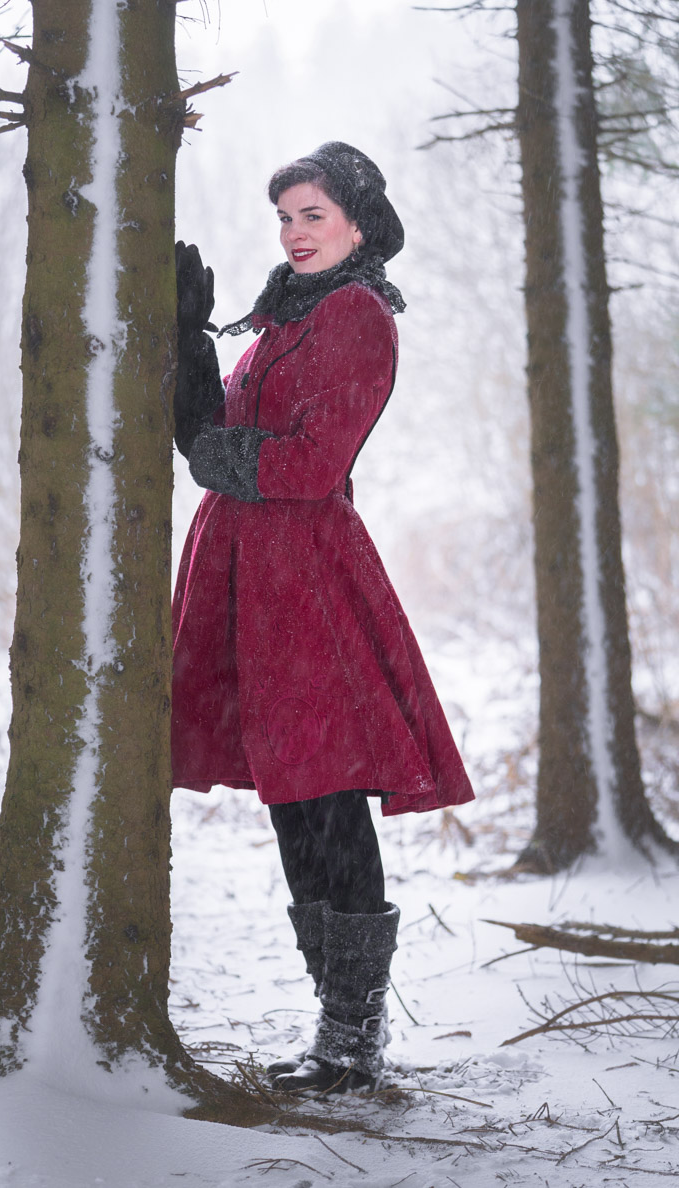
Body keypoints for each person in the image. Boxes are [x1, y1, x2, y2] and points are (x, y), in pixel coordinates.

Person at [172, 142, 474, 1094]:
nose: (295, 233)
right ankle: (338, 1030)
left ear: (357, 222)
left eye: (313, 215)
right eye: (285, 218)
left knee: (326, 799)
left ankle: (352, 1037)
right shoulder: (279, 320)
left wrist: (215, 453)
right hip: (249, 576)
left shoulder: (357, 316)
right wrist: (187, 346)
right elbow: (207, 430)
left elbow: (305, 465)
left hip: (307, 586)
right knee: (293, 805)